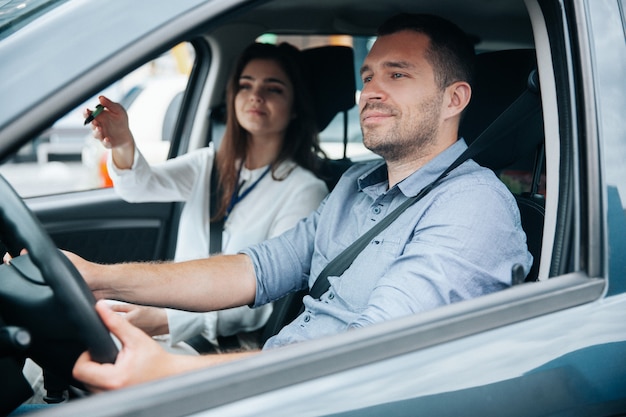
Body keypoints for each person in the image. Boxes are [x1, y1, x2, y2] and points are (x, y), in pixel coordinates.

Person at [70, 13, 533, 391]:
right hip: (284, 381)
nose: (370, 90)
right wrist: (100, 277)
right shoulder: (355, 185)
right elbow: (256, 268)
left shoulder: (473, 205)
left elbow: (368, 354)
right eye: (368, 75)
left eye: (397, 74)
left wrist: (169, 374)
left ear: (454, 99)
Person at [82, 42, 329, 354]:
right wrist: (121, 142)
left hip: (223, 347)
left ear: (295, 106)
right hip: (175, 328)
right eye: (245, 85)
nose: (256, 95)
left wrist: (164, 319)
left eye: (274, 88)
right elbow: (139, 186)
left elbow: (267, 293)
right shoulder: (209, 165)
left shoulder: (305, 190)